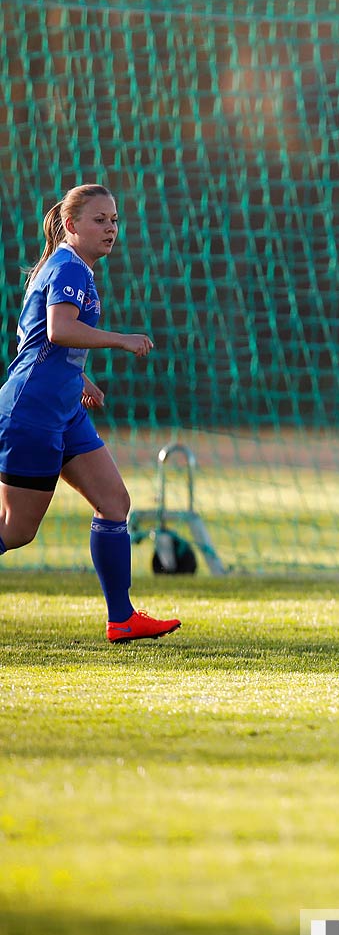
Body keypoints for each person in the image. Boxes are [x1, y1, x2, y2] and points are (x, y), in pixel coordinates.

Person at [0, 184, 178, 643]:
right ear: (72, 225)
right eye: (100, 220)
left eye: (115, 220)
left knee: (115, 503)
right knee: (16, 531)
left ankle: (121, 619)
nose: (111, 229)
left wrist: (79, 381)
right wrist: (121, 339)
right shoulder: (67, 266)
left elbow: (37, 341)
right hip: (33, 413)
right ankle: (121, 616)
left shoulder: (71, 266)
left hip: (62, 410)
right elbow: (59, 331)